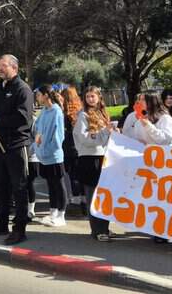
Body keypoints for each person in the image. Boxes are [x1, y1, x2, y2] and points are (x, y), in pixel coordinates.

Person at [0, 55, 34, 245]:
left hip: (16, 146)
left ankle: (19, 228)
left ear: (14, 67)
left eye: (3, 66)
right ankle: (1, 223)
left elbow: (23, 119)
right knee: (0, 186)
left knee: (19, 187)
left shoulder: (23, 89)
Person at [73, 86, 112, 242]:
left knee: (104, 196)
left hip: (104, 158)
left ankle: (104, 227)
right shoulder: (83, 116)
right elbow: (85, 139)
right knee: (93, 196)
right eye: (88, 96)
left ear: (99, 97)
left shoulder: (103, 114)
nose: (90, 99)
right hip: (90, 160)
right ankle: (97, 230)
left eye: (93, 96)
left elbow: (103, 137)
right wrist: (103, 133)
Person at [33, 85, 66, 227]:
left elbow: (58, 136)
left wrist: (49, 148)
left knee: (59, 184)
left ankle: (61, 215)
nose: (37, 97)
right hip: (44, 156)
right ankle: (53, 212)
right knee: (51, 185)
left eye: (39, 94)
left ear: (46, 95)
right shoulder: (44, 111)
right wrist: (37, 146)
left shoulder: (56, 111)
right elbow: (38, 130)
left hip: (54, 155)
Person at [60, 86, 84, 208]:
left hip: (68, 148)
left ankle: (76, 199)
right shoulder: (80, 113)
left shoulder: (65, 115)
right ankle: (83, 198)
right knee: (80, 174)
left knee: (72, 174)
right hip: (80, 148)